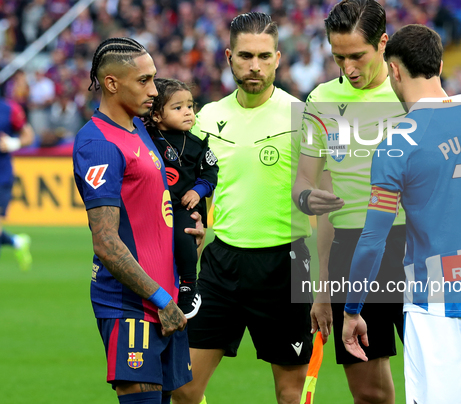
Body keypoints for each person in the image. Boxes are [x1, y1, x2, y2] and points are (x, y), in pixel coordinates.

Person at [342, 25, 461, 404]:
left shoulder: (397, 144)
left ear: (394, 71)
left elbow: (373, 239)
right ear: (441, 64)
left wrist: (352, 309)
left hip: (433, 303)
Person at [172, 12, 313, 404]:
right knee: (183, 388)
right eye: (246, 56)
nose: (255, 66)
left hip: (287, 261)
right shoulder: (206, 119)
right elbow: (188, 192)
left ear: (279, 59)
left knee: (290, 394)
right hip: (222, 262)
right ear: (230, 56)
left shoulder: (303, 116)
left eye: (264, 57)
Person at [73, 37, 202, 404]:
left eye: (154, 78)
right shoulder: (97, 143)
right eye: (143, 80)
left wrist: (189, 231)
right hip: (132, 305)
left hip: (166, 301)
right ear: (112, 83)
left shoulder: (140, 129)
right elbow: (107, 243)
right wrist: (161, 299)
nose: (153, 89)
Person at [292, 1, 406, 402]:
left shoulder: (410, 95)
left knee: (438, 383)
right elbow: (309, 182)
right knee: (370, 395)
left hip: (414, 248)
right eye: (339, 57)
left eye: (358, 56)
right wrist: (323, 287)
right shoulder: (321, 100)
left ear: (383, 44)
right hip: (350, 248)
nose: (349, 68)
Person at [145, 78, 219, 318]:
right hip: (152, 208)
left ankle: (188, 286)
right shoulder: (144, 138)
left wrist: (198, 190)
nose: (188, 112)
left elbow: (210, 172)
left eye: (190, 106)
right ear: (156, 115)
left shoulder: (198, 145)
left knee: (184, 237)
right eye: (178, 108)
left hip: (182, 208)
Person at [0, 97, 34, 271]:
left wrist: (13, 143)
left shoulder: (8, 109)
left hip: (1, 176)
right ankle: (16, 242)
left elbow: (28, 135)